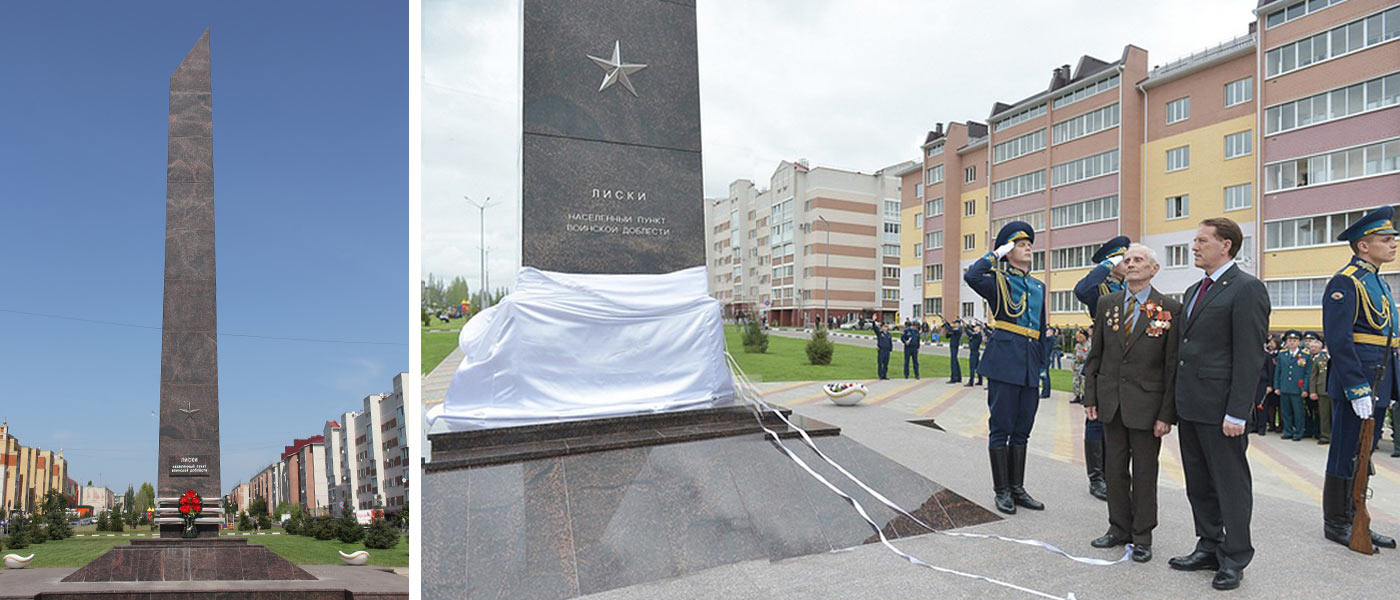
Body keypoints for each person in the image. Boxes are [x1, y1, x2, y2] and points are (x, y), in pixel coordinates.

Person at [1167, 217, 1269, 591]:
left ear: (1226, 245)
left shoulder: (1246, 288)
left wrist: (1237, 411)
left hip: (1222, 409)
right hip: (1191, 405)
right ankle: (1208, 545)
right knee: (1199, 483)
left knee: (1230, 485)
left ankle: (1235, 556)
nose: (1194, 246)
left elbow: (1249, 356)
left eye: (1201, 240)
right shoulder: (1195, 289)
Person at [1083, 243, 1181, 564]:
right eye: (1127, 260)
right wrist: (1091, 397)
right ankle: (1118, 527)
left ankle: (1142, 536)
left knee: (1144, 473)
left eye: (1139, 260)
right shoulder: (1107, 303)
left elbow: (1171, 367)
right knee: (1113, 470)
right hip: (1111, 402)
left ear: (1154, 269)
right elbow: (1095, 354)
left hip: (1147, 406)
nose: (1132, 264)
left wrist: (1167, 413)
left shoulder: (1168, 308)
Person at [1320, 205, 1399, 552]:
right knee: (1345, 451)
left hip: (1378, 381)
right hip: (1359, 384)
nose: (1393, 244)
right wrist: (1356, 386)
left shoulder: (1378, 281)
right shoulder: (1346, 281)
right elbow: (1339, 339)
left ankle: (1358, 514)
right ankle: (1337, 521)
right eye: (1385, 239)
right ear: (1363, 245)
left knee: (1364, 454)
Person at [965, 221, 1050, 515]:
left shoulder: (1038, 286)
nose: (1028, 248)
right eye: (1020, 244)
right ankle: (1001, 490)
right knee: (1001, 427)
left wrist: (1041, 365)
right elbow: (971, 275)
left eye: (1029, 244)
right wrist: (995, 254)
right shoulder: (997, 281)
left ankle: (1017, 488)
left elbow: (1040, 328)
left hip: (1029, 364)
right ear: (1008, 250)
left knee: (1023, 429)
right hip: (1004, 361)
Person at [1074, 235, 1131, 502]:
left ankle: (1113, 474)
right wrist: (1108, 264)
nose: (1127, 262)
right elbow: (1082, 290)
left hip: (1127, 361)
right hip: (1104, 359)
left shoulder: (1129, 287)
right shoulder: (1100, 288)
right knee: (1095, 418)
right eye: (1123, 257)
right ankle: (1096, 478)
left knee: (1118, 419)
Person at [1272, 330, 1311, 441]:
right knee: (1285, 411)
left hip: (1297, 388)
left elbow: (1307, 373)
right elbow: (1278, 371)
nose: (1292, 343)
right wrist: (1277, 386)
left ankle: (1298, 433)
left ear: (1299, 342)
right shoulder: (1282, 354)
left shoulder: (1305, 355)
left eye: (1294, 341)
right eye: (1290, 341)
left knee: (1298, 412)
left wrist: (1305, 389)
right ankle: (1287, 431)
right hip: (1285, 387)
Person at [1306, 333, 1331, 445]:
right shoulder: (1319, 358)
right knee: (1324, 415)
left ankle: (1335, 436)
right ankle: (1325, 435)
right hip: (1322, 390)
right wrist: (1312, 391)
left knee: (1336, 415)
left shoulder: (1338, 358)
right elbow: (1313, 376)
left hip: (1335, 390)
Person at [1253, 339, 1278, 436]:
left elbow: (1271, 371)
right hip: (1253, 383)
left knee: (1261, 405)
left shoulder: (1267, 356)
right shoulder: (1252, 355)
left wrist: (1270, 385)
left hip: (1263, 383)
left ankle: (1262, 427)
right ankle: (1255, 425)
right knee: (1254, 406)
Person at [1071, 328, 1091, 403]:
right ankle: (1077, 395)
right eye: (1079, 337)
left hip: (1084, 366)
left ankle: (1084, 396)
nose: (1079, 338)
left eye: (1081, 337)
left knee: (1083, 382)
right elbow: (1074, 354)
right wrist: (1073, 363)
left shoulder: (1089, 345)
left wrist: (1083, 358)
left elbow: (1090, 357)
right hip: (1077, 366)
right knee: (1075, 382)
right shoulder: (1077, 345)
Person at [1040, 327, 1057, 398]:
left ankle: (1045, 393)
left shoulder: (1051, 338)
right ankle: (1045, 392)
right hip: (1045, 359)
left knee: (1045, 376)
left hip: (1045, 359)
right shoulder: (1049, 339)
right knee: (1045, 376)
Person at [966, 322, 984, 387]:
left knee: (972, 367)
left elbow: (970, 334)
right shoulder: (978, 334)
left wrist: (965, 328)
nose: (974, 328)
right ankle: (980, 380)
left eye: (976, 327)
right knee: (977, 367)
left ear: (979, 328)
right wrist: (968, 326)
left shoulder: (978, 334)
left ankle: (971, 382)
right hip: (975, 352)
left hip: (974, 352)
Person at [946, 319, 964, 384]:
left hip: (954, 346)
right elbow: (948, 336)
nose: (954, 324)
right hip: (953, 346)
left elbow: (951, 330)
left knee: (953, 362)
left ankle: (954, 378)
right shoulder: (955, 330)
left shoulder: (959, 329)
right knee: (955, 361)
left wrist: (946, 324)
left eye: (955, 323)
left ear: (958, 324)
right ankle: (958, 377)